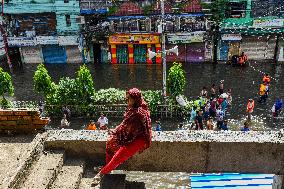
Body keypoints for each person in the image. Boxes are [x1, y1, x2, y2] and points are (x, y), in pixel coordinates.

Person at [91, 88, 152, 186]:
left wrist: (119, 133)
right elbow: (125, 124)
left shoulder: (139, 113)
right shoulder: (133, 108)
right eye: (127, 98)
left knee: (119, 155)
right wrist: (116, 131)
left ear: (135, 100)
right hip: (129, 134)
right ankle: (106, 168)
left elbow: (131, 130)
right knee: (110, 142)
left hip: (138, 138)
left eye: (129, 99)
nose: (127, 101)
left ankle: (101, 173)